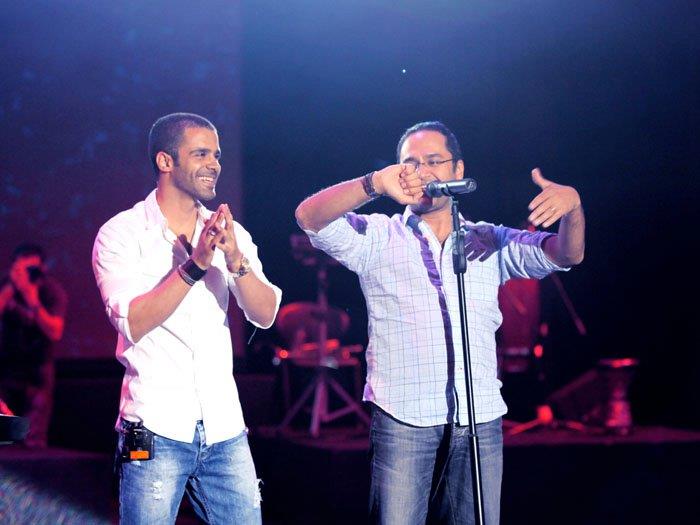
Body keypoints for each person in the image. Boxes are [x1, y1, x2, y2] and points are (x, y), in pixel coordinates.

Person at [295, 121, 585, 524]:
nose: (421, 172)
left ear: (458, 170)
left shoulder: (488, 240)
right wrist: (374, 183)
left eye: (433, 161)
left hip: (478, 416)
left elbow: (566, 254)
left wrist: (573, 208)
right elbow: (309, 217)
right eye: (410, 163)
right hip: (403, 419)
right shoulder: (379, 236)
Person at [92, 112, 281, 524]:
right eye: (201, 154)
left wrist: (235, 259)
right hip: (153, 427)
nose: (214, 164)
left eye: (217, 155)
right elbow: (133, 321)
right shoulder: (121, 234)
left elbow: (265, 314)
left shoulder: (230, 232)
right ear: (166, 161)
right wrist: (194, 266)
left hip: (225, 429)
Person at [0, 243, 67, 448]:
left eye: (31, 269)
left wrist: (32, 298)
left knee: (33, 438)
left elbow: (55, 331)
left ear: (42, 269)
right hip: (6, 369)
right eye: (22, 269)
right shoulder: (6, 286)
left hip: (38, 371)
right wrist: (11, 287)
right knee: (4, 435)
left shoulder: (51, 290)